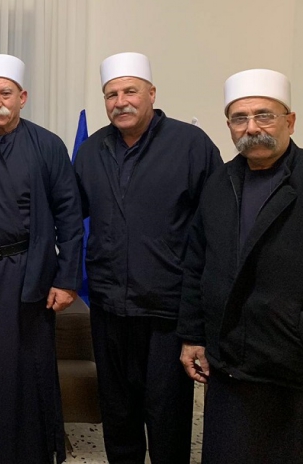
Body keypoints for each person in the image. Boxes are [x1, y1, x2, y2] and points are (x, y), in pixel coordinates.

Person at [73, 52, 221, 464]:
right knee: (117, 411)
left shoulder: (192, 146)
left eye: (130, 91)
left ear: (152, 93)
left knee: (166, 414)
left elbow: (216, 228)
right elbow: (70, 219)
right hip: (108, 307)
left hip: (167, 310)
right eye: (111, 94)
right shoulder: (91, 151)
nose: (121, 102)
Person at [178, 68, 303, 463]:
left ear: (290, 121)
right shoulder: (218, 183)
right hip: (231, 368)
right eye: (239, 118)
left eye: (264, 115)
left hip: (300, 370)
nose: (251, 128)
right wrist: (193, 335)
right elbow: (196, 264)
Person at [0, 54, 84, 464]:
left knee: (22, 368)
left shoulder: (47, 145)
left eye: (5, 93)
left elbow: (70, 216)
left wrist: (67, 279)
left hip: (27, 275)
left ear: (22, 97)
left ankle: (26, 452)